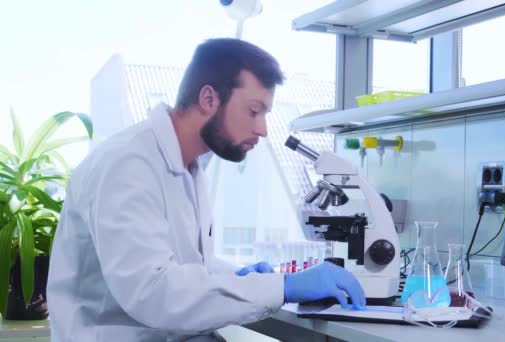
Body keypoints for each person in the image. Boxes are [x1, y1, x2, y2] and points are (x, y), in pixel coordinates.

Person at [47, 38, 366, 342]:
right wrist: (281, 286)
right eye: (254, 111)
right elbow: (155, 292)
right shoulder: (128, 165)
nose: (263, 129)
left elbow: (186, 268)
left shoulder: (188, 166)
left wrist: (239, 275)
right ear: (209, 99)